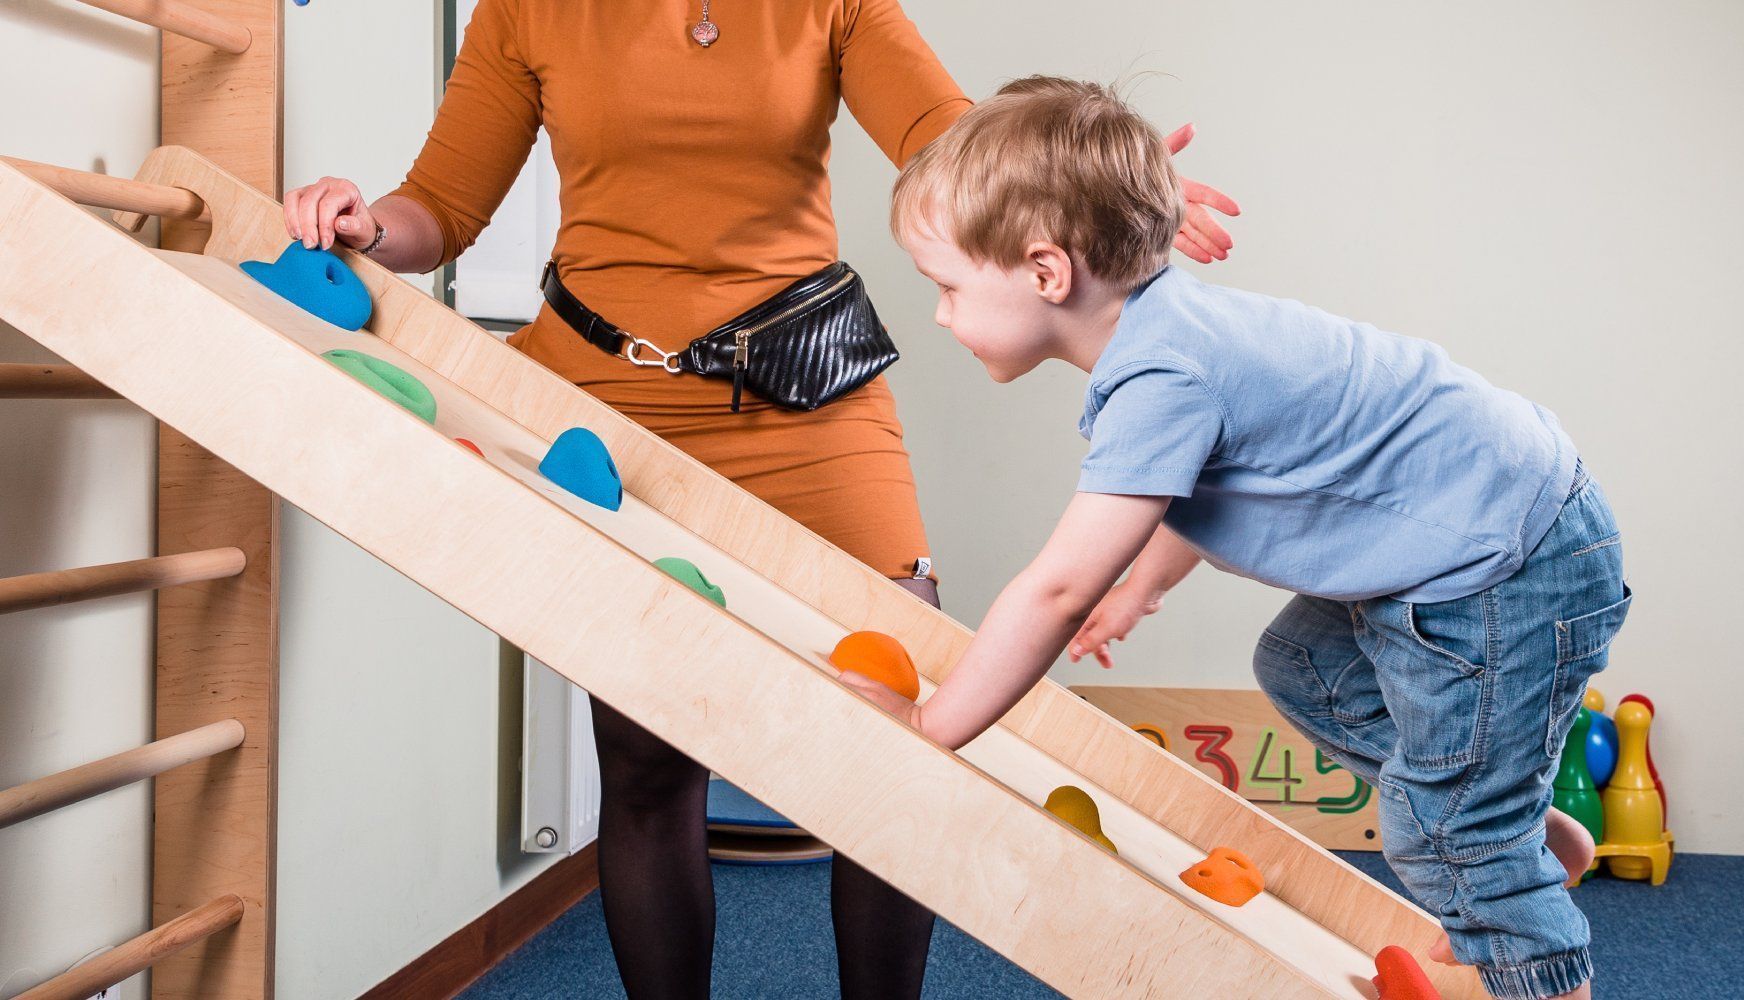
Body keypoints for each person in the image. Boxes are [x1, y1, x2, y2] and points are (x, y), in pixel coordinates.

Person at [277, 4, 1238, 997]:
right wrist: (365, 224)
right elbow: (440, 205)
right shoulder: (528, 9)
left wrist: (1094, 197)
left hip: (809, 389)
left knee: (898, 731)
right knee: (648, 758)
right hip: (603, 405)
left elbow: (957, 148)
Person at [844, 76, 1632, 1000]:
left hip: (1502, 560)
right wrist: (1139, 588)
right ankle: (1509, 833)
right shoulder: (1171, 325)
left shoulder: (1160, 378)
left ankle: (1510, 909)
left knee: (1444, 828)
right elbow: (1213, 488)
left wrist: (932, 730)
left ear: (1047, 273)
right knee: (1305, 667)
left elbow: (1055, 589)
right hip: (1489, 526)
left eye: (946, 286)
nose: (940, 312)